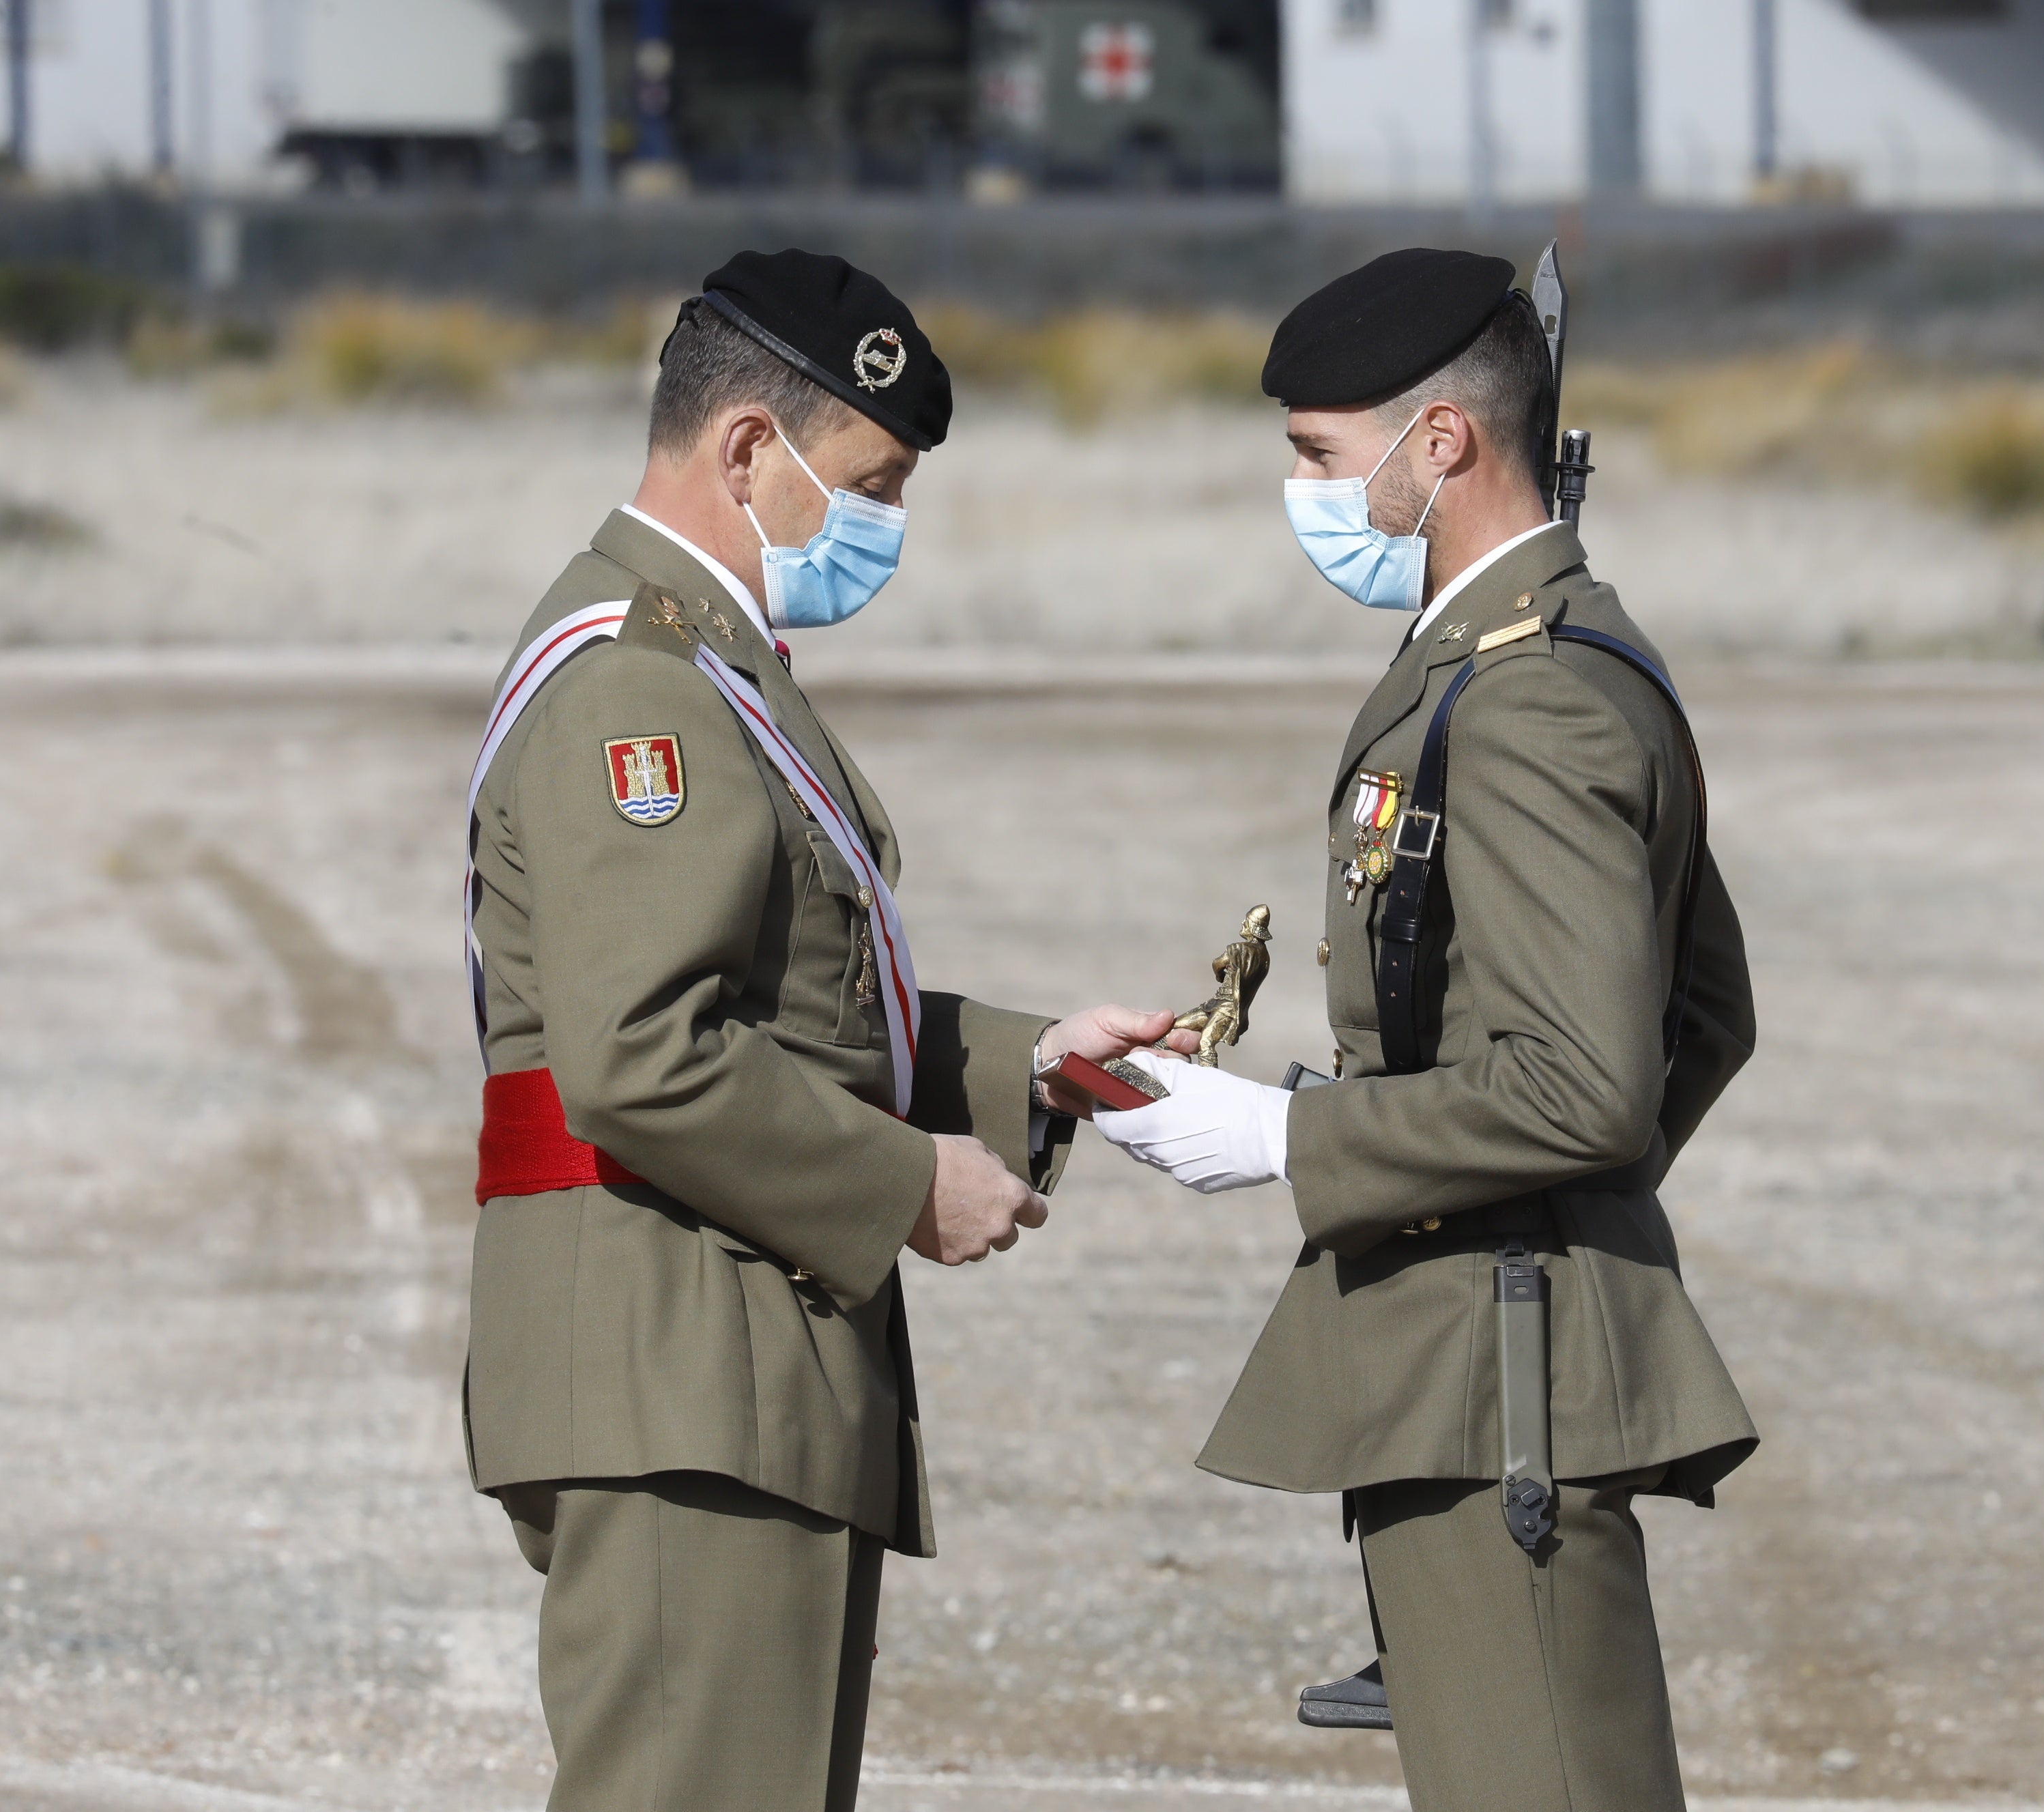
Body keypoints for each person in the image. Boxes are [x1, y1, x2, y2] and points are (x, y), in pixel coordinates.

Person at [461, 248, 1179, 1812]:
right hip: (679, 1368)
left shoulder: (704, 661)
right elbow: (646, 1053)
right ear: (743, 452)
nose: (885, 529)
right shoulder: (631, 688)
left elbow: (791, 999)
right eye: (869, 484)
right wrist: (905, 1187)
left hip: (718, 1359)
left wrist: (1025, 1061)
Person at [1095, 248, 1762, 1812]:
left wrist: (1298, 1137)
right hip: (1470, 1345)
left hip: (1501, 1372)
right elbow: (1701, 1014)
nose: (1305, 492)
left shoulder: (1532, 696)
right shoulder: (1524, 653)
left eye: (1323, 456)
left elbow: (1591, 1080)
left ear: (1444, 442)